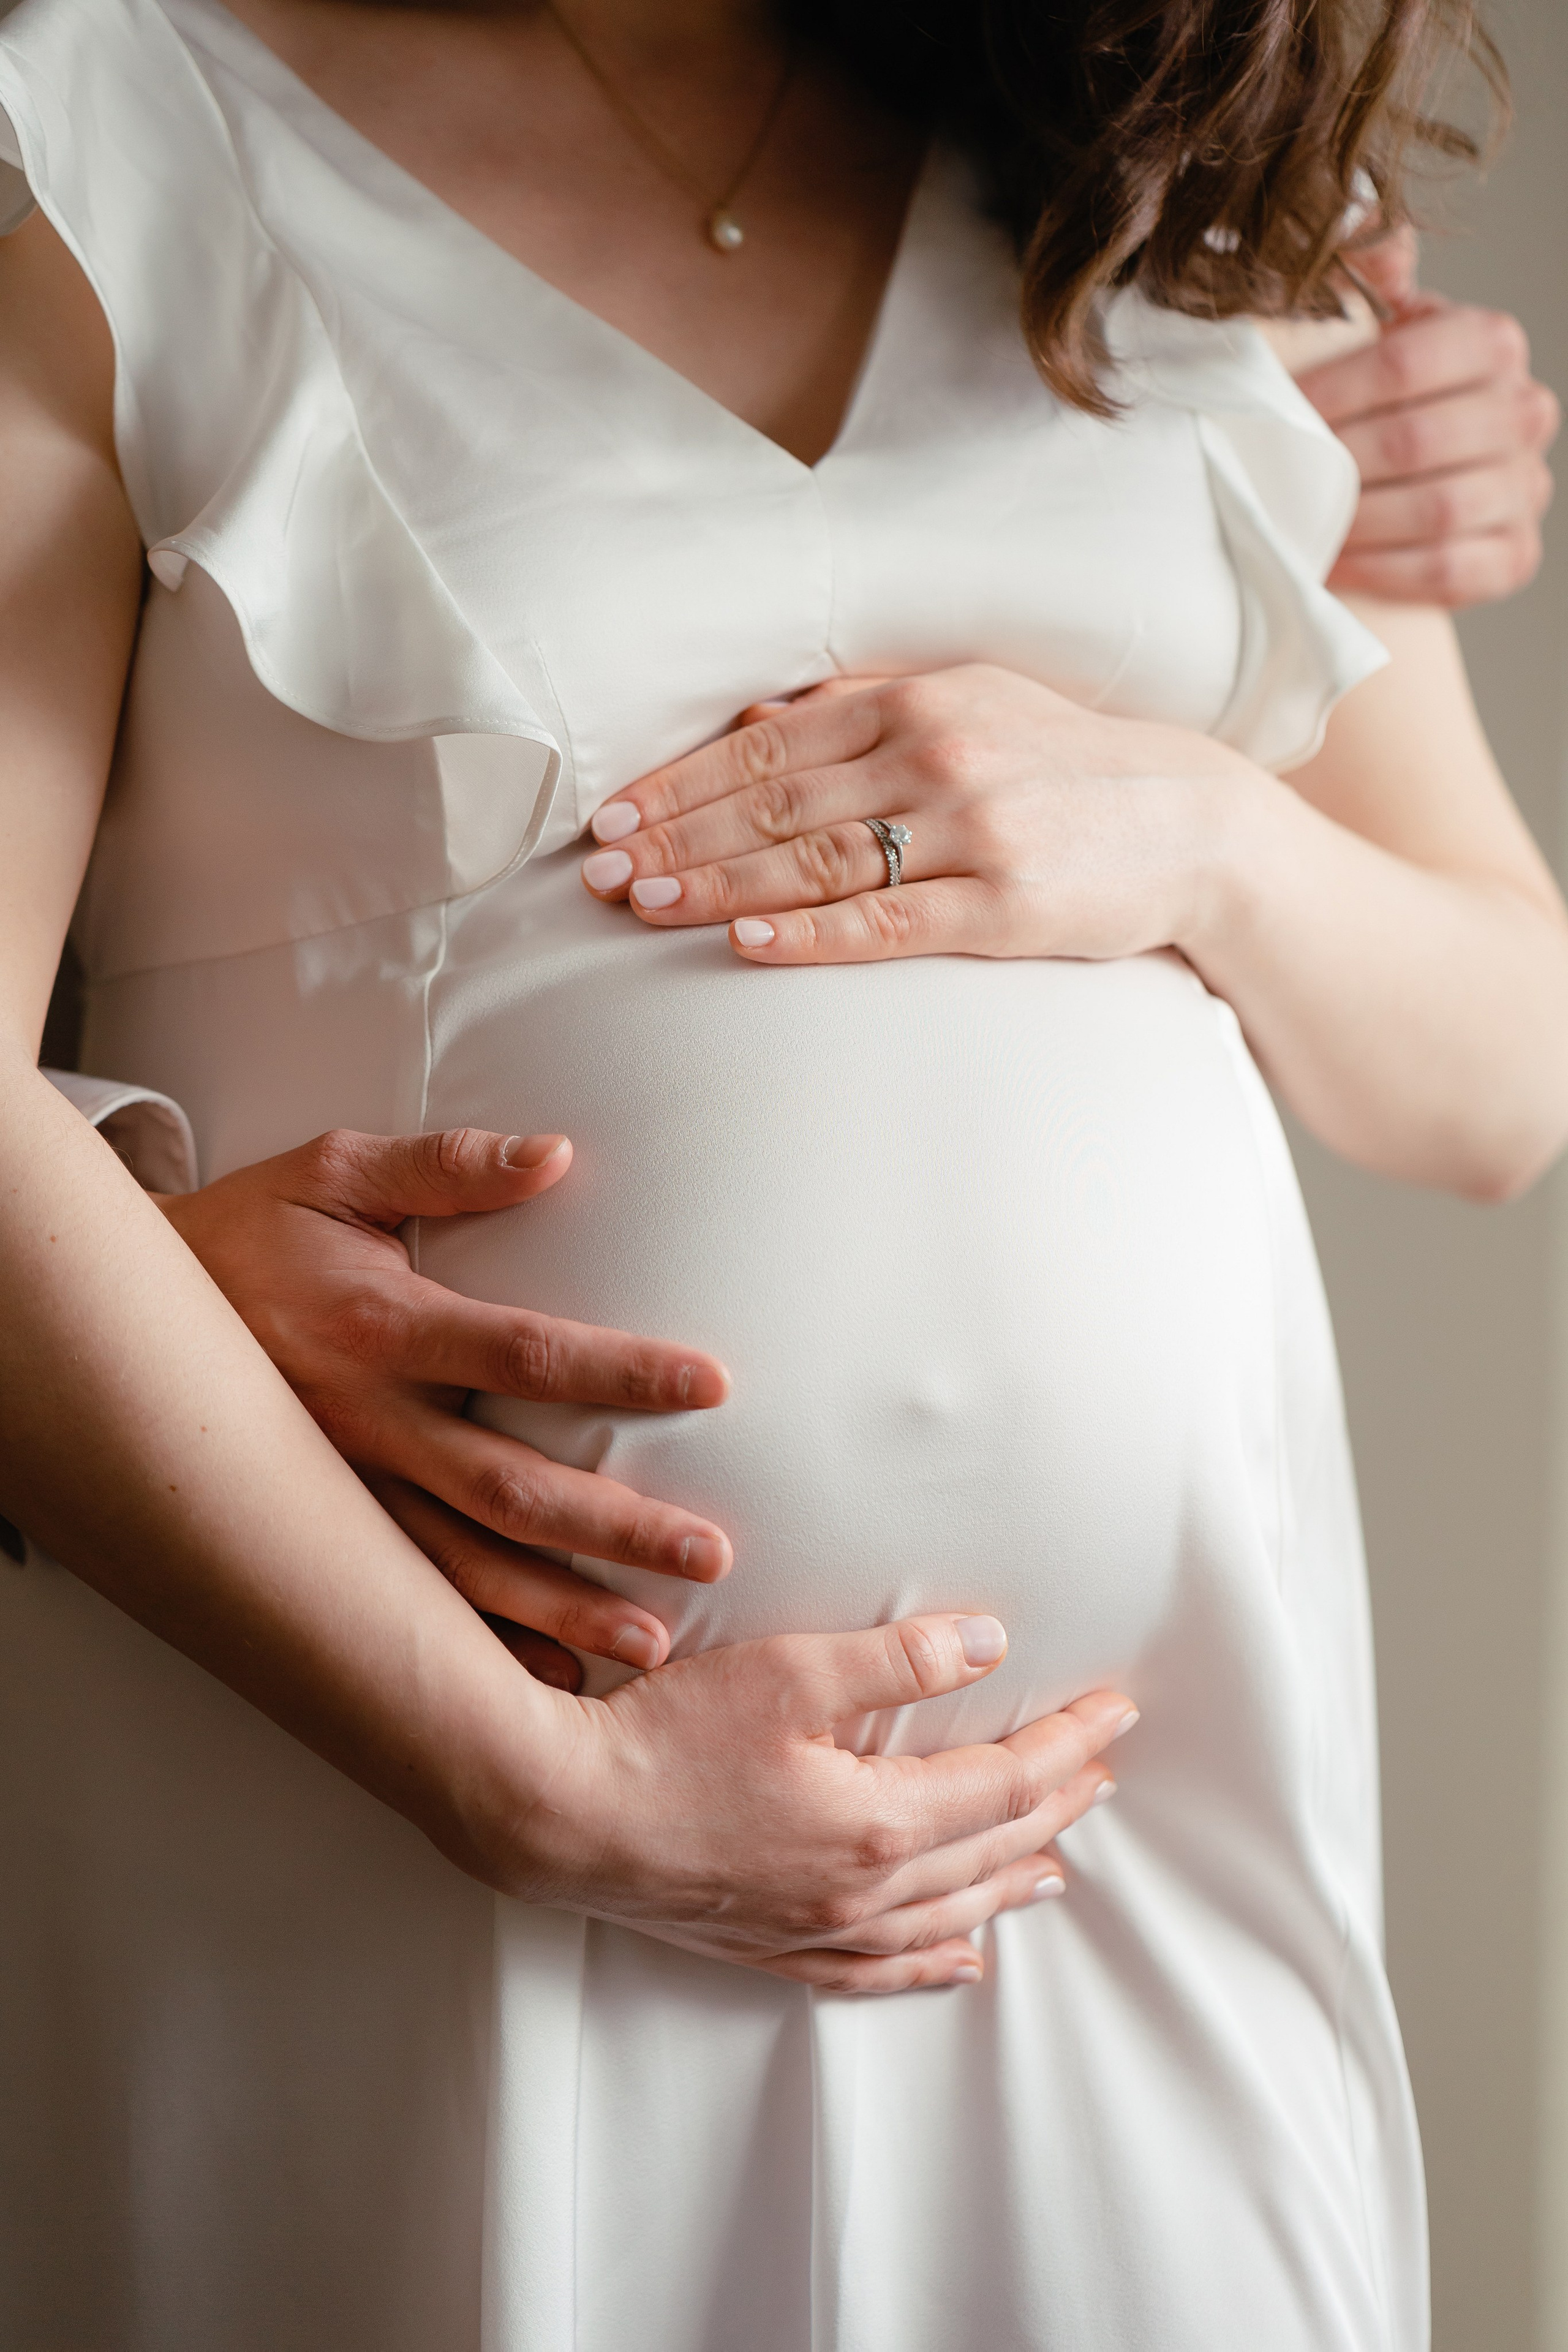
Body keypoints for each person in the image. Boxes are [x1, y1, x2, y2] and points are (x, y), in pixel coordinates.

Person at [0, 1, 1562, 2348]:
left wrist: (1207, 835)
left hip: (1108, 1863)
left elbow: (1505, 1075)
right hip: (398, 1808)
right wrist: (535, 1789)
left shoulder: (1175, 193)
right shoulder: (102, 133)